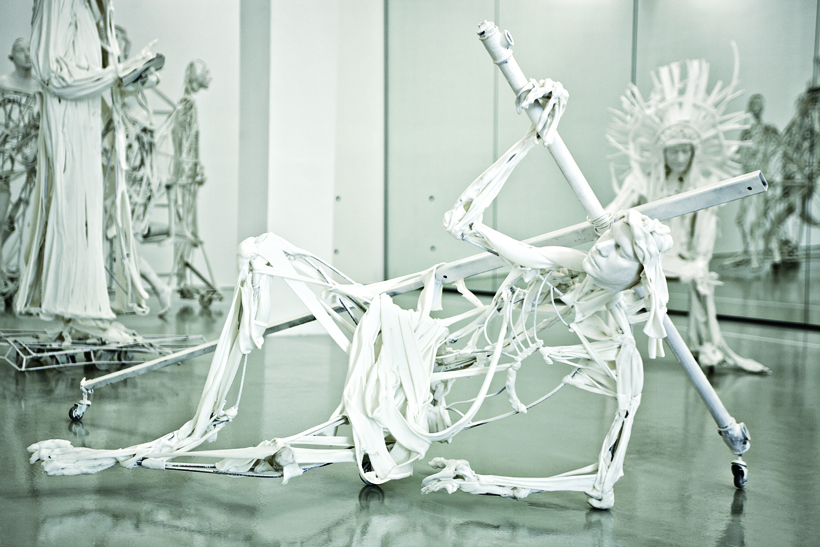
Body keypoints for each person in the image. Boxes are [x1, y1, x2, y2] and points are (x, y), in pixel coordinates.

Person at [606, 55, 769, 374]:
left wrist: (701, 259)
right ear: (663, 152)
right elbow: (615, 210)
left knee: (700, 277)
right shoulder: (641, 180)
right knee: (614, 282)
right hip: (644, 257)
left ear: (694, 152)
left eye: (685, 150)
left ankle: (705, 346)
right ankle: (614, 343)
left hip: (680, 257)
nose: (680, 157)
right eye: (674, 151)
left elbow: (706, 226)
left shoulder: (700, 186)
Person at [16, 0, 158, 335]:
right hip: (70, 130)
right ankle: (78, 311)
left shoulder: (89, 9)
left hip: (88, 130)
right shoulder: (59, 3)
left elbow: (84, 76)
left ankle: (83, 310)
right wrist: (118, 72)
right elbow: (55, 74)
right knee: (72, 219)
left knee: (86, 222)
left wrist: (131, 78)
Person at [726, 94, 780, 269]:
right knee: (742, 219)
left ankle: (758, 256)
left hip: (761, 179)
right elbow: (739, 155)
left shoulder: (769, 131)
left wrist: (772, 173)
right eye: (753, 104)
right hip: (748, 180)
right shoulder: (746, 133)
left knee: (759, 218)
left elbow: (776, 150)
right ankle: (749, 251)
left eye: (758, 104)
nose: (756, 107)